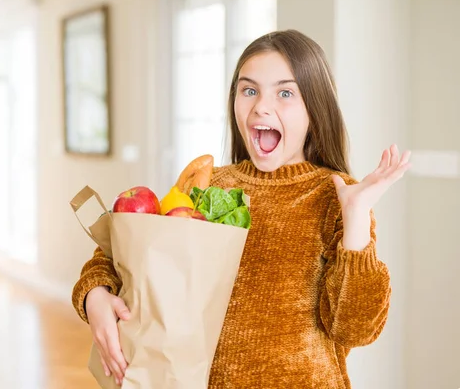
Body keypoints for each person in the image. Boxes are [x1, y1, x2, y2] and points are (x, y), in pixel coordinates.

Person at [71, 29, 411, 388]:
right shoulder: (208, 185)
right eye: (249, 90)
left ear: (316, 105)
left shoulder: (336, 198)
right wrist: (95, 294)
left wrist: (356, 218)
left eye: (285, 92)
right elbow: (127, 255)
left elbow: (355, 327)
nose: (261, 106)